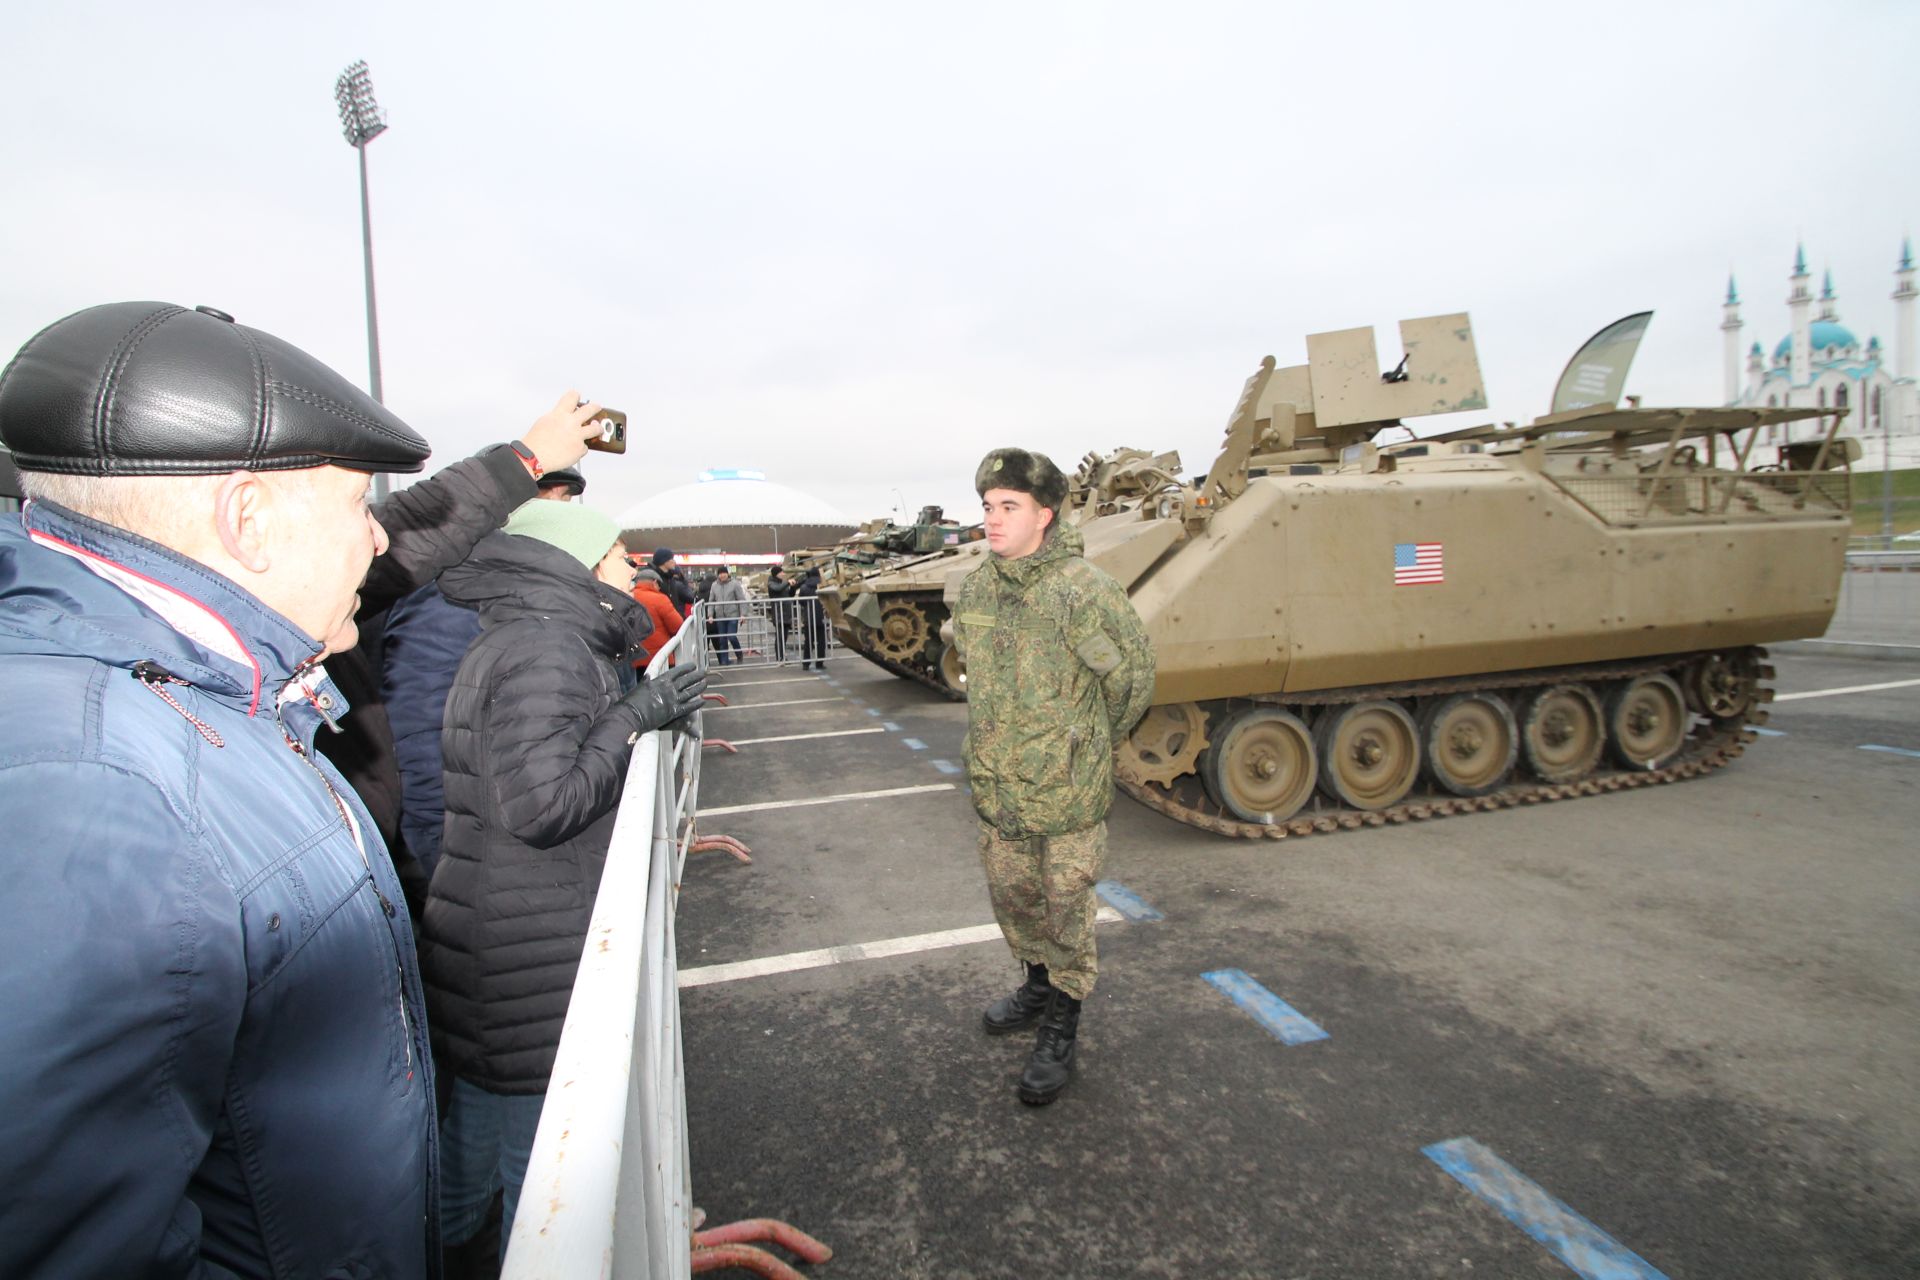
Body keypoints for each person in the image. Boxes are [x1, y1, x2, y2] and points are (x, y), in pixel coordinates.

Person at [0, 301, 608, 1277]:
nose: (376, 544)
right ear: (249, 520)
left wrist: (520, 461)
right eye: (355, 510)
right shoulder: (94, 790)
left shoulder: (202, 698)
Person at [422, 500, 706, 1264]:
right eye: (615, 555)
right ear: (577, 567)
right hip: (529, 943)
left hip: (504, 931)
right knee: (544, 1192)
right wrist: (634, 717)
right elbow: (542, 805)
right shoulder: (548, 651)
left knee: (473, 1153)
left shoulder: (528, 639)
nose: (629, 568)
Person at [953, 447, 1154, 1106]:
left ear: (1045, 513)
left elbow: (1129, 681)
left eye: (1008, 506)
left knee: (1068, 912)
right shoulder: (979, 586)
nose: (993, 519)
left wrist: (1085, 748)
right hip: (1000, 792)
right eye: (988, 506)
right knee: (1015, 899)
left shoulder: (1080, 589)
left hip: (1065, 795)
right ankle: (1037, 987)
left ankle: (1063, 1021)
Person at [382, 465, 591, 905]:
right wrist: (447, 864)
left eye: (565, 506)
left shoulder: (528, 592)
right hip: (474, 841)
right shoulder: (447, 599)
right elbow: (423, 737)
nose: (560, 519)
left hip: (525, 828)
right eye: (544, 503)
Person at [631, 562, 686, 666]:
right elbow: (677, 625)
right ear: (654, 582)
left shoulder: (628, 597)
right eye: (659, 585)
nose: (659, 588)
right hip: (659, 656)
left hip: (635, 658)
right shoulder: (660, 599)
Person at [707, 564, 748, 664]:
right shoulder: (714, 585)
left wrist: (743, 614)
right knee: (722, 639)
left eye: (724, 573)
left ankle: (739, 654)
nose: (722, 575)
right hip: (720, 616)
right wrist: (710, 615)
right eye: (720, 574)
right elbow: (711, 601)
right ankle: (724, 660)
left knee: (731, 636)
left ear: (727, 574)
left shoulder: (735, 584)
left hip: (732, 615)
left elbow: (741, 599)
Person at [797, 563, 829, 670]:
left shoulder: (804, 587)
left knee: (808, 641)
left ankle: (806, 664)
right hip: (821, 617)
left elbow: (802, 602)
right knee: (821, 641)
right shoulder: (824, 585)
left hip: (809, 617)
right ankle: (819, 663)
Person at [651, 546, 696, 614]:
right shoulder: (655, 579)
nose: (674, 562)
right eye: (671, 559)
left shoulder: (670, 579)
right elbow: (690, 598)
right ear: (664, 561)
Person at [765, 564, 795, 661]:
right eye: (781, 572)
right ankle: (780, 657)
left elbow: (790, 594)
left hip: (786, 613)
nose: (783, 574)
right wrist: (787, 583)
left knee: (784, 636)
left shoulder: (782, 583)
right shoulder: (771, 583)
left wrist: (793, 586)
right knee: (780, 636)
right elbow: (777, 589)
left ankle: (782, 656)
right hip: (778, 613)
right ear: (776, 574)